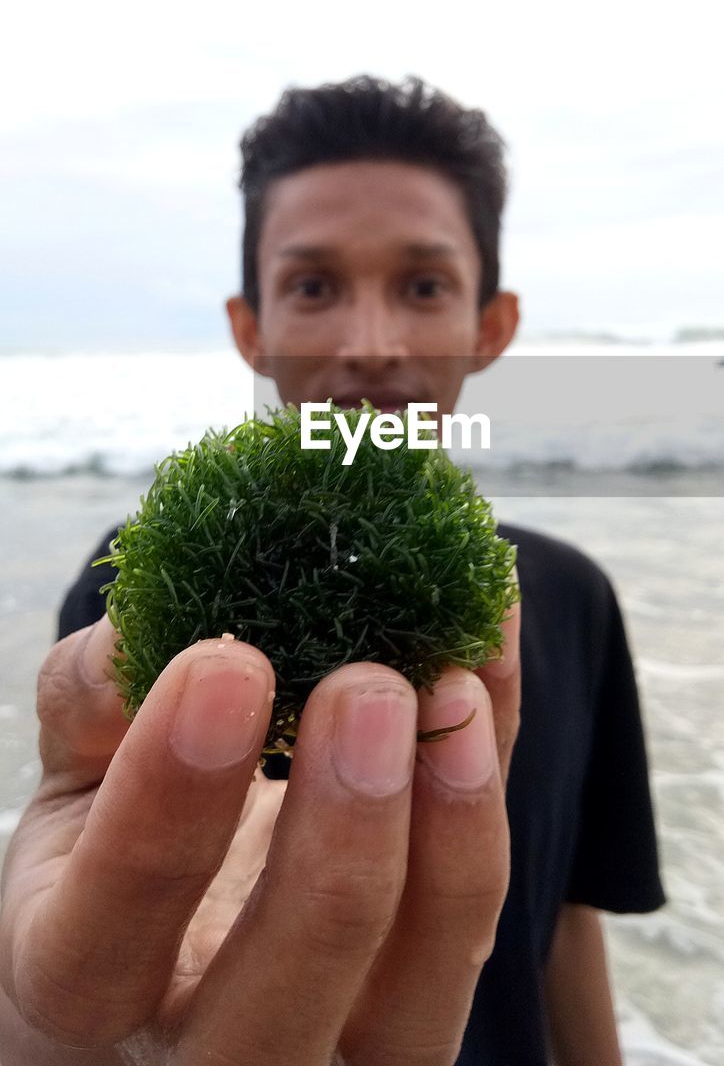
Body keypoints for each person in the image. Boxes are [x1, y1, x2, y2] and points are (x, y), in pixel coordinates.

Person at [0, 76, 663, 1065]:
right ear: (249, 328)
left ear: (491, 325)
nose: (369, 343)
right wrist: (63, 1026)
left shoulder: (565, 596)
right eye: (312, 286)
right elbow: (89, 855)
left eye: (423, 285)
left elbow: (565, 911)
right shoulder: (121, 587)